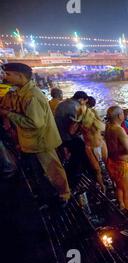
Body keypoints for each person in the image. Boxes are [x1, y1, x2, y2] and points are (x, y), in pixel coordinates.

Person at [0, 63, 70, 203]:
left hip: (41, 141)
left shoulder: (32, 96)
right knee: (41, 171)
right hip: (31, 142)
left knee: (53, 171)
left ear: (20, 76)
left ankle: (64, 196)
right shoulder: (20, 93)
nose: (5, 77)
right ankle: (50, 195)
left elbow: (35, 123)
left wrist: (9, 114)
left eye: (8, 74)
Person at [104, 106, 128, 219]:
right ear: (120, 116)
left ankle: (121, 205)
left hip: (112, 161)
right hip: (121, 164)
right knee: (127, 190)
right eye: (123, 114)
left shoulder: (108, 126)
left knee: (119, 187)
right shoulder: (119, 129)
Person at [54, 90, 90, 186]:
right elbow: (73, 129)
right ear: (81, 99)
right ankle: (77, 177)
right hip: (66, 137)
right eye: (85, 102)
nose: (84, 105)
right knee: (83, 150)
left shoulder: (62, 104)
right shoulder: (75, 107)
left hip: (58, 135)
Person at [80, 96, 107, 192]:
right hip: (90, 147)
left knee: (107, 165)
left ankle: (113, 182)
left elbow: (103, 128)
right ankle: (102, 186)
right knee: (97, 169)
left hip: (100, 144)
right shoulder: (81, 121)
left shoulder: (95, 115)